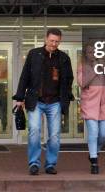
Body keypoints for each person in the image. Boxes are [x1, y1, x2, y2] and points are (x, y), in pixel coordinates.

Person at [13, 28, 74, 175]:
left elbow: (69, 79)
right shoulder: (34, 54)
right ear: (46, 39)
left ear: (60, 41)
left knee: (54, 135)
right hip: (36, 100)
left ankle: (50, 164)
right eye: (52, 40)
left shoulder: (64, 58)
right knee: (34, 131)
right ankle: (34, 163)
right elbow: (25, 76)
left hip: (55, 102)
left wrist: (66, 96)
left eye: (57, 41)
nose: (54, 44)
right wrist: (19, 98)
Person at [78, 46, 105, 174]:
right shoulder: (82, 67)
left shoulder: (103, 66)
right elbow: (82, 83)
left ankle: (95, 152)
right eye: (90, 52)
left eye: (95, 52)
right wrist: (95, 69)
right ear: (86, 54)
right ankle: (94, 161)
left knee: (103, 134)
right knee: (93, 132)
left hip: (103, 104)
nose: (93, 54)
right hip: (89, 104)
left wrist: (104, 67)